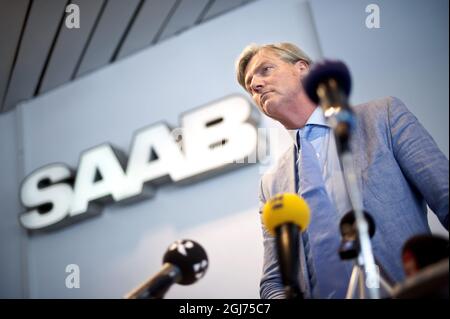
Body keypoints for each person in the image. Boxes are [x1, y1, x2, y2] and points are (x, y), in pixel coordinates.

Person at [235, 42, 449, 298]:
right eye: (250, 87)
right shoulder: (270, 185)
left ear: (302, 68)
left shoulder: (383, 117)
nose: (256, 85)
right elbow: (273, 282)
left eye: (265, 70)